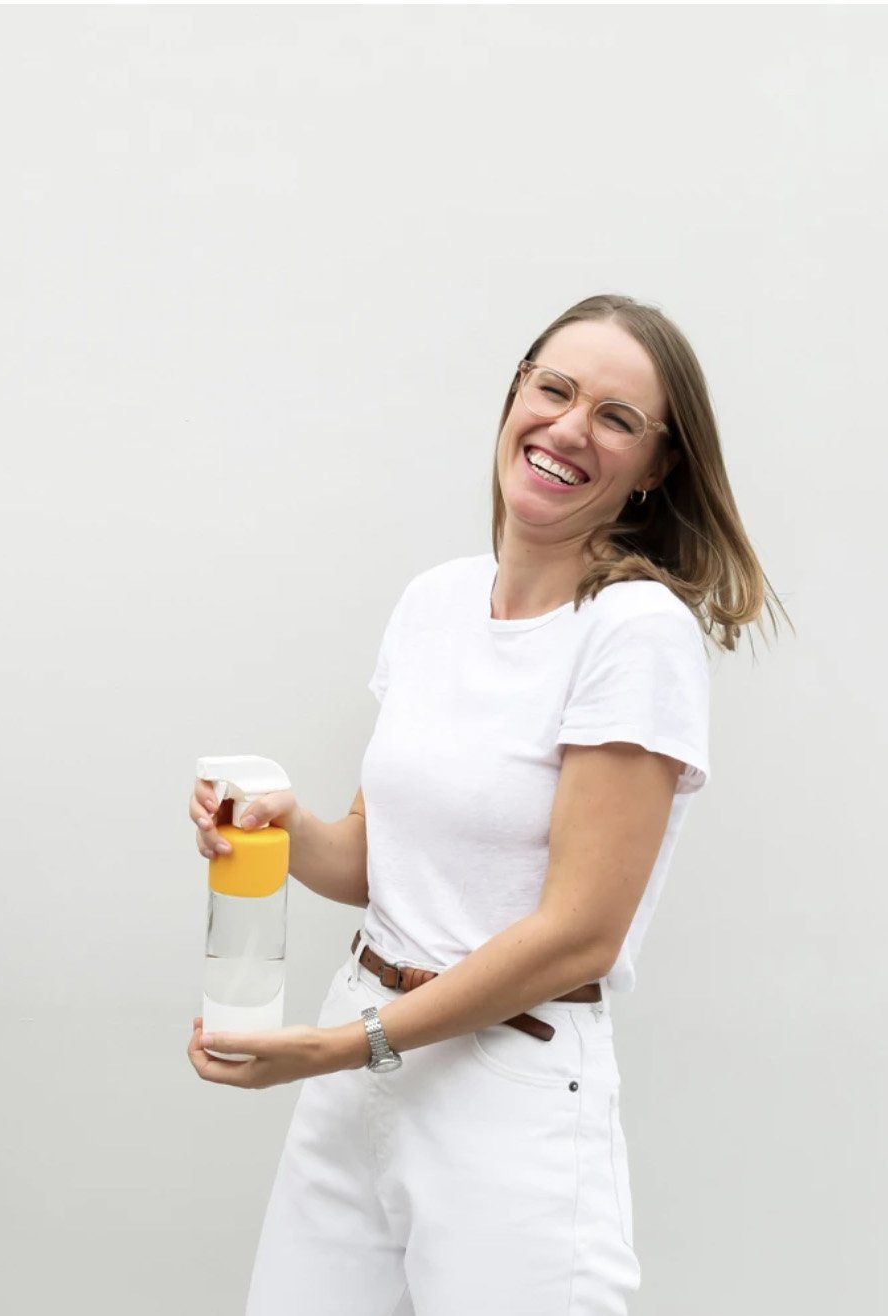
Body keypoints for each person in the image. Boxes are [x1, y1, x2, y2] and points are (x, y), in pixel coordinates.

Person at [186, 295, 780, 1314]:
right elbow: (377, 860)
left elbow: (576, 935)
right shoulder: (435, 603)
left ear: (657, 467)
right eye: (552, 388)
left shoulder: (634, 633)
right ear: (515, 392)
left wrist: (343, 1045)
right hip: (358, 1061)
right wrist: (281, 829)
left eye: (615, 417)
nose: (566, 428)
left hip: (505, 1080)